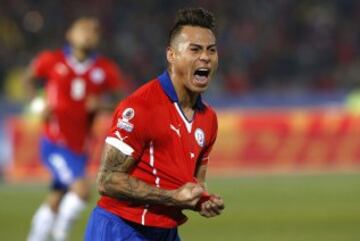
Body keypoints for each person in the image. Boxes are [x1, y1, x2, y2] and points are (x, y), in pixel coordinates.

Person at [84, 7, 224, 241]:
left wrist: (201, 201)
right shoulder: (140, 107)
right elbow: (107, 180)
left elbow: (195, 182)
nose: (205, 57)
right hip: (121, 228)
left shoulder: (208, 119)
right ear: (171, 55)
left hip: (165, 231)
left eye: (211, 50)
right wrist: (173, 197)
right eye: (195, 49)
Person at [25, 17, 127, 241]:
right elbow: (29, 79)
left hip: (80, 147)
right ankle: (60, 235)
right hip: (55, 142)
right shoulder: (52, 60)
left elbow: (125, 103)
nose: (88, 34)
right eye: (82, 29)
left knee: (55, 199)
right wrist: (38, 104)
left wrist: (103, 105)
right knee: (81, 191)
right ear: (69, 35)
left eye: (93, 31)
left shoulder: (104, 69)